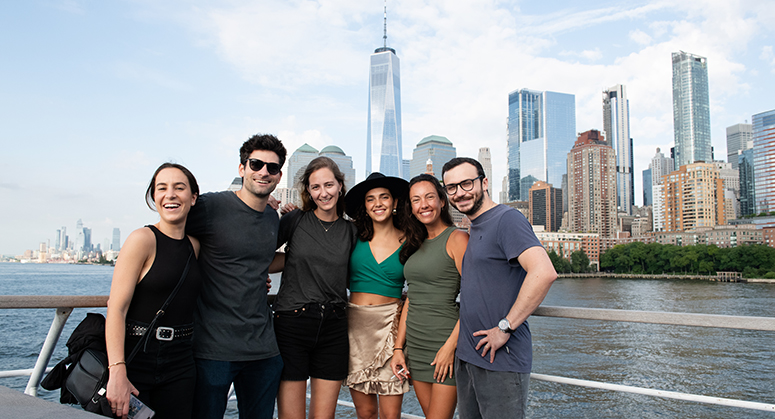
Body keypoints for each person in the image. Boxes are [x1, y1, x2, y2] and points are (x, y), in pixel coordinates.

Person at [441, 157, 557, 419]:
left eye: (466, 183)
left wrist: (506, 326)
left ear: (484, 182)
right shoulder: (474, 227)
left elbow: (544, 272)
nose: (460, 193)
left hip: (501, 359)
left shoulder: (507, 219)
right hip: (469, 357)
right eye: (452, 188)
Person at [186, 134, 287, 419]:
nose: (264, 172)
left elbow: (261, 260)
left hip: (263, 350)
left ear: (279, 176)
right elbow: (171, 231)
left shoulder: (272, 218)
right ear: (242, 168)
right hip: (213, 349)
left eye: (272, 168)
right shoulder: (210, 207)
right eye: (256, 164)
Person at [106, 163, 202, 419]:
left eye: (179, 188)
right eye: (162, 188)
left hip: (181, 361)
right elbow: (116, 308)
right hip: (139, 357)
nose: (170, 194)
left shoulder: (195, 246)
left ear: (193, 198)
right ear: (154, 197)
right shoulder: (142, 239)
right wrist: (117, 370)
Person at [272, 156, 357, 419]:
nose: (323, 193)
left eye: (329, 185)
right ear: (308, 191)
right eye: (316, 187)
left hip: (334, 326)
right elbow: (261, 256)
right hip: (292, 324)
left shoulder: (351, 230)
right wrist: (293, 258)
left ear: (340, 185)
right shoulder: (294, 220)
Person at [391, 174, 468, 419]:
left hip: (444, 345)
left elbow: (474, 299)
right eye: (416, 200)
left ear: (442, 201)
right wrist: (398, 348)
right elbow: (411, 298)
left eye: (429, 197)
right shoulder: (415, 242)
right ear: (411, 208)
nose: (423, 204)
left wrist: (450, 348)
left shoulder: (458, 238)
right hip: (415, 345)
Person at [343, 172, 411, 419]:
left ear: (394, 202)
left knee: (391, 415)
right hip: (355, 330)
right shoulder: (351, 235)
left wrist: (399, 344)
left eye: (384, 197)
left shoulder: (410, 239)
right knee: (366, 412)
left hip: (391, 330)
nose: (378, 203)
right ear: (365, 206)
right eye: (370, 199)